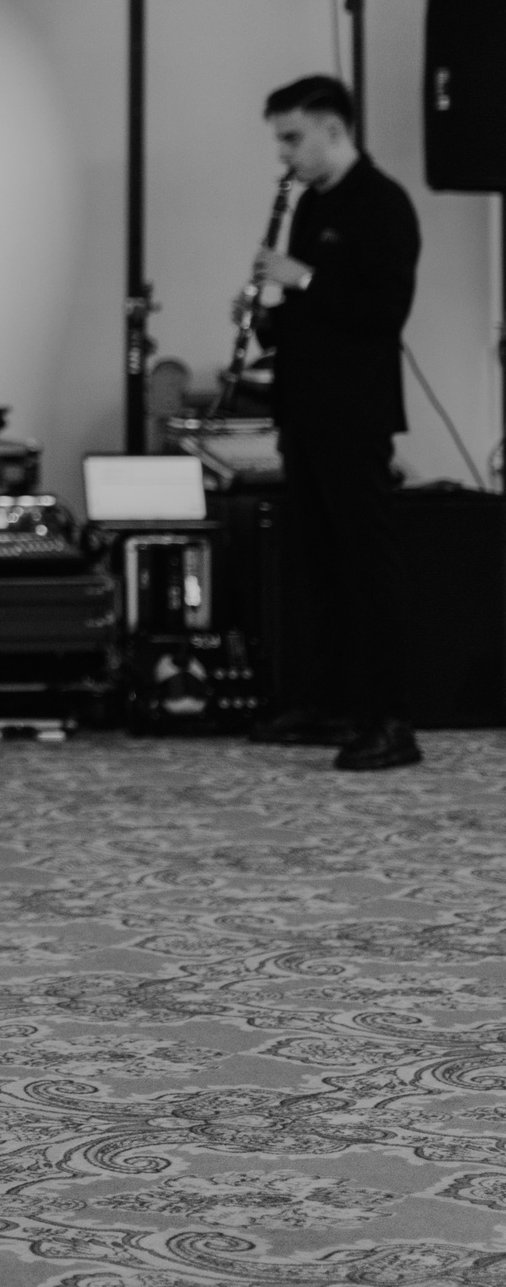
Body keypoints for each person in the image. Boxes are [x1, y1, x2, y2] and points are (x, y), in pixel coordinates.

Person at [251, 72, 423, 773]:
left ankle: (389, 720)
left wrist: (303, 280)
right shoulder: (310, 205)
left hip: (355, 414)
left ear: (332, 128)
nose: (285, 153)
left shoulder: (383, 204)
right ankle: (327, 705)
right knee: (316, 563)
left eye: (293, 137)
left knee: (366, 565)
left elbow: (383, 312)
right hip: (306, 409)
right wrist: (268, 318)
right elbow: (313, 314)